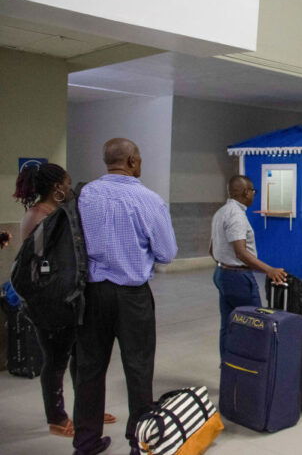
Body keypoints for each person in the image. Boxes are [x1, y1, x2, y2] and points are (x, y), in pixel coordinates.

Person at [73, 138, 178, 455]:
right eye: (140, 158)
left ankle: (86, 443)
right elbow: (167, 252)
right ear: (132, 161)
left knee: (89, 369)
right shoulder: (148, 200)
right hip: (132, 296)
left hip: (91, 293)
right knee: (138, 367)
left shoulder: (85, 194)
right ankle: (140, 443)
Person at [12, 164, 118, 439]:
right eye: (67, 182)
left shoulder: (61, 214)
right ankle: (56, 418)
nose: (70, 186)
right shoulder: (38, 216)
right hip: (49, 303)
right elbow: (37, 267)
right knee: (55, 361)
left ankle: (87, 410)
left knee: (81, 358)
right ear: (57, 186)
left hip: (72, 300)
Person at [210, 175, 287, 357]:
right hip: (237, 277)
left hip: (222, 273)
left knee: (228, 324)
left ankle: (228, 367)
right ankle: (254, 371)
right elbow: (241, 253)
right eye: (253, 191)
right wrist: (269, 270)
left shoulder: (221, 212)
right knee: (256, 324)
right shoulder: (236, 216)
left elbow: (212, 248)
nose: (254, 194)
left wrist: (224, 264)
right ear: (246, 192)